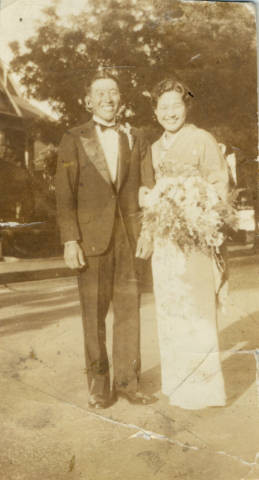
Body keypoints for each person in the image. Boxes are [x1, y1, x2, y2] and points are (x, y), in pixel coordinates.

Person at [55, 71, 155, 409]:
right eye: (100, 93)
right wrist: (71, 240)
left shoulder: (135, 137)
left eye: (113, 92)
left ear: (121, 99)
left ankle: (128, 383)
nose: (108, 99)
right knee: (93, 316)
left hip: (128, 239)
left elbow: (146, 188)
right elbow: (64, 195)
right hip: (90, 241)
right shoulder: (73, 137)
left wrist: (147, 233)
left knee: (129, 313)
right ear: (88, 100)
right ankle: (99, 387)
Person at [137, 77, 229, 410]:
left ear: (186, 107)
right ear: (155, 111)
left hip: (195, 236)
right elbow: (148, 193)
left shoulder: (202, 139)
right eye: (163, 107)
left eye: (176, 105)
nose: (170, 113)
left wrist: (199, 205)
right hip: (166, 242)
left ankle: (204, 390)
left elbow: (218, 182)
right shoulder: (153, 148)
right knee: (171, 308)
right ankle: (178, 384)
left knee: (198, 309)